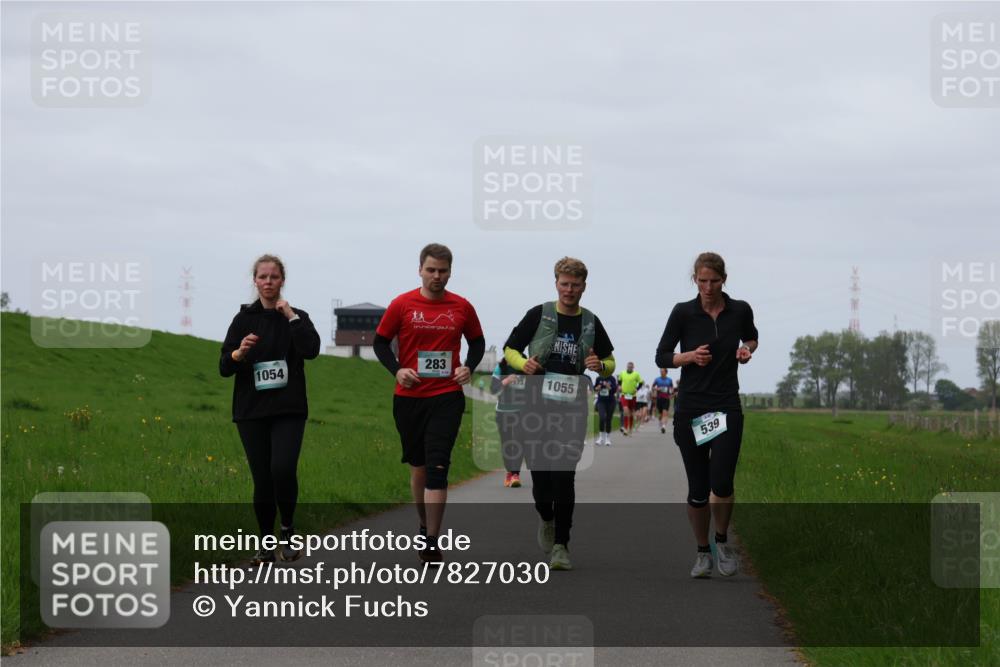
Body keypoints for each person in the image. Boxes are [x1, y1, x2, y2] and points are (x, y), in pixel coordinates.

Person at [373, 243, 485, 564]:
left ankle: (432, 541)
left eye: (443, 271)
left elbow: (476, 342)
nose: (437, 276)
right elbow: (380, 342)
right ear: (420, 269)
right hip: (409, 399)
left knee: (438, 466)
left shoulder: (461, 306)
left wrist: (469, 367)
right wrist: (398, 370)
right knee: (419, 469)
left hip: (446, 397)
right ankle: (423, 525)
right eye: (431, 270)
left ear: (451, 272)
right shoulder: (402, 304)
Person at [503, 257, 615, 570]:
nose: (569, 290)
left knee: (564, 474)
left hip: (573, 407)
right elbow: (510, 348)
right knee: (541, 479)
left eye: (575, 285)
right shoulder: (538, 313)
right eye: (564, 284)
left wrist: (600, 366)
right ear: (556, 283)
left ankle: (562, 545)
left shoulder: (591, 321)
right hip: (536, 405)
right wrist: (521, 363)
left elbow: (609, 360)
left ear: (584, 287)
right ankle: (546, 517)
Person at [655, 252, 758, 578]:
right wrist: (687, 357)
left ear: (723, 279)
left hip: (726, 405)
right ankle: (702, 553)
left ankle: (722, 542)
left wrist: (747, 351)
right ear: (694, 280)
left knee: (722, 482)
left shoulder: (739, 309)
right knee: (698, 489)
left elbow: (752, 337)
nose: (708, 287)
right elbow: (661, 354)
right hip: (692, 407)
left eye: (714, 280)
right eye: (702, 281)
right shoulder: (683, 312)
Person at [220, 254, 321, 564]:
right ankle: (265, 544)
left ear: (282, 281)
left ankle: (288, 532)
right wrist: (239, 353)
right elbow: (224, 367)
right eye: (262, 277)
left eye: (273, 277)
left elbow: (312, 350)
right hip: (252, 410)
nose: (267, 282)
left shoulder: (296, 316)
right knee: (262, 478)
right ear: (255, 281)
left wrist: (291, 317)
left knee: (282, 468)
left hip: (288, 408)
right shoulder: (242, 321)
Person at [490, 358, 526, 488]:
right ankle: (509, 472)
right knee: (506, 443)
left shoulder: (525, 365)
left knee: (518, 441)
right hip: (503, 411)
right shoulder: (500, 368)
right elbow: (493, 389)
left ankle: (516, 474)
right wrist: (506, 381)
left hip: (521, 412)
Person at [593, 374, 618, 446]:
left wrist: (607, 386)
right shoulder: (598, 378)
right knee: (602, 417)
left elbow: (614, 390)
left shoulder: (612, 378)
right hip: (601, 401)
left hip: (610, 401)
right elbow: (594, 388)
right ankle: (600, 437)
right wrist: (598, 387)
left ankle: (607, 438)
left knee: (608, 419)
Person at [618, 362, 642, 435]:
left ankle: (630, 428)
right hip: (624, 395)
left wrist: (637, 389)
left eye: (631, 367)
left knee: (631, 413)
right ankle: (625, 428)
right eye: (628, 367)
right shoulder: (622, 373)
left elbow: (640, 382)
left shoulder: (636, 374)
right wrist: (619, 386)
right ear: (626, 367)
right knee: (625, 410)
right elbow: (619, 381)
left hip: (632, 395)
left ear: (633, 367)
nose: (629, 368)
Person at [652, 368, 675, 434]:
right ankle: (660, 423)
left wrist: (671, 393)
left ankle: (663, 426)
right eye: (660, 371)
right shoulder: (657, 379)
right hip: (659, 398)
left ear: (666, 372)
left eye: (662, 371)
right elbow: (653, 387)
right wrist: (657, 389)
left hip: (666, 399)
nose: (661, 372)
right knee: (660, 414)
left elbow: (672, 388)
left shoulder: (669, 380)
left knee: (665, 413)